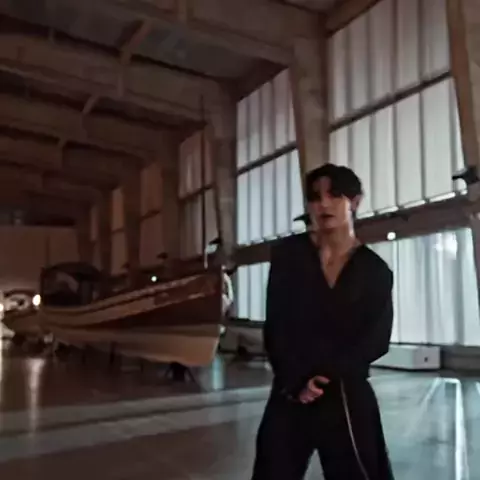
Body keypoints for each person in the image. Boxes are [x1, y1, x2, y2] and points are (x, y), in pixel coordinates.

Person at [251, 164, 395, 480]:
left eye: (334, 195)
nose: (324, 204)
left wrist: (324, 377)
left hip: (344, 392)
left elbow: (376, 339)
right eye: (315, 197)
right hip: (291, 390)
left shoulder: (375, 271)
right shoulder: (289, 255)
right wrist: (296, 381)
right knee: (273, 471)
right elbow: (277, 324)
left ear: (354, 201)